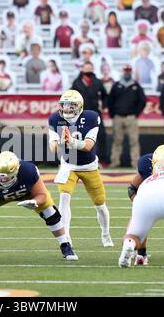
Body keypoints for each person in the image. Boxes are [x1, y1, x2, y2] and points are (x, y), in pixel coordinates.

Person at [0, 151, 78, 261]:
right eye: (0, 178)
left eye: (6, 178)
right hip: (0, 195)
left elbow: (42, 195)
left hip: (27, 193)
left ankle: (65, 246)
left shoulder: (28, 172)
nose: (2, 181)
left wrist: (34, 202)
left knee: (51, 213)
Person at [48, 90, 113, 250]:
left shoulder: (91, 117)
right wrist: (61, 143)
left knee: (100, 204)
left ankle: (105, 234)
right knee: (64, 197)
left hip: (89, 166)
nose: (67, 109)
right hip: (68, 165)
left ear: (79, 106)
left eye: (71, 105)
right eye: (64, 105)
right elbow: (52, 148)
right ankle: (66, 238)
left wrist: (72, 141)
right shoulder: (55, 118)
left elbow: (89, 146)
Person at [107, 65, 146, 168]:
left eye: (129, 71)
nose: (127, 73)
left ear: (131, 72)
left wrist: (135, 113)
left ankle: (135, 162)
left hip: (131, 117)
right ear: (122, 72)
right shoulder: (116, 85)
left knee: (134, 141)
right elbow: (110, 100)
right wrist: (113, 114)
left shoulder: (136, 86)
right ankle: (115, 162)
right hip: (118, 117)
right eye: (126, 71)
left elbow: (142, 101)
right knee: (117, 140)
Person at [71, 61, 108, 165]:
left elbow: (105, 95)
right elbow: (71, 95)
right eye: (86, 69)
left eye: (90, 69)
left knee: (101, 136)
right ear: (82, 70)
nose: (88, 71)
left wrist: (104, 105)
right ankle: (79, 159)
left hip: (95, 113)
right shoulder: (77, 82)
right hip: (80, 114)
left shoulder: (97, 82)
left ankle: (102, 160)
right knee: (79, 135)